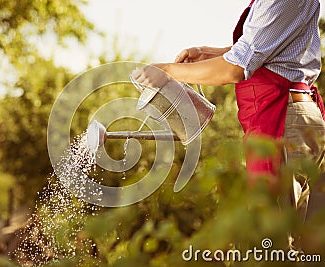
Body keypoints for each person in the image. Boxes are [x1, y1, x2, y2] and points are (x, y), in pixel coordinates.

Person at [132, 0, 325, 230]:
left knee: (273, 236)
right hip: (287, 115)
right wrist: (208, 53)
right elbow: (265, 47)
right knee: (293, 238)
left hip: (282, 115)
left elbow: (235, 68)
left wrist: (167, 72)